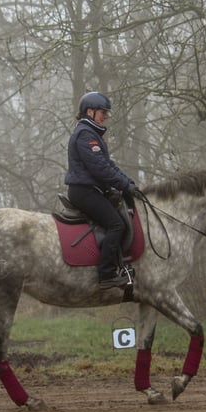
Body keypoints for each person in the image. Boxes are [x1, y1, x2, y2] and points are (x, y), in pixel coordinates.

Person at [65, 91, 137, 289]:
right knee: (116, 224)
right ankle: (106, 274)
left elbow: (108, 164)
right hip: (84, 192)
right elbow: (100, 168)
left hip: (92, 190)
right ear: (90, 112)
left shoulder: (92, 133)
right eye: (102, 112)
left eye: (107, 112)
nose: (106, 116)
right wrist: (123, 185)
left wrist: (128, 182)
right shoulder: (85, 134)